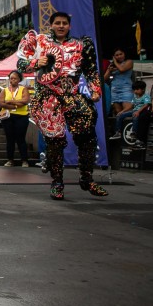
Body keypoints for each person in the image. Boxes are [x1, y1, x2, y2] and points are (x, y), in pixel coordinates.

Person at [17, 11, 108, 199]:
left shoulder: (81, 45)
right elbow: (20, 63)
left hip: (71, 95)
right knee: (55, 141)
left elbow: (91, 71)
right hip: (48, 96)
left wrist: (95, 89)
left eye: (64, 23)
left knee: (87, 134)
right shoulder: (40, 42)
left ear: (69, 26)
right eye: (57, 23)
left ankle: (87, 178)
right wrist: (36, 63)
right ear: (51, 25)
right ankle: (57, 182)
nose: (61, 26)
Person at [0, 70, 31, 167]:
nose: (12, 80)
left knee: (21, 138)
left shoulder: (23, 89)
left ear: (19, 79)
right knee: (10, 139)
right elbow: (1, 103)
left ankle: (24, 160)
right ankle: (10, 159)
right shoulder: (4, 90)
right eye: (11, 78)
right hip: (8, 117)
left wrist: (10, 101)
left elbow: (25, 100)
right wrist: (16, 105)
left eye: (15, 78)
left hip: (21, 116)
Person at [111, 80, 151, 147]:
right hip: (134, 110)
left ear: (143, 89)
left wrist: (138, 111)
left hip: (141, 111)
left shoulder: (146, 96)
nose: (135, 91)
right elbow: (131, 105)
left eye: (137, 89)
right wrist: (122, 111)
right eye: (134, 90)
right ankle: (118, 132)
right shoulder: (135, 96)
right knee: (119, 115)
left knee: (135, 116)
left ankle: (134, 133)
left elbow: (146, 105)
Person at [104, 48, 134, 116]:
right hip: (115, 90)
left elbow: (122, 69)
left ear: (124, 54)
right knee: (118, 112)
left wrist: (115, 61)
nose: (119, 56)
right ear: (114, 56)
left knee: (127, 111)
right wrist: (109, 71)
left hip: (126, 88)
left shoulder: (129, 62)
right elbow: (104, 79)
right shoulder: (112, 65)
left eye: (121, 54)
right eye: (117, 55)